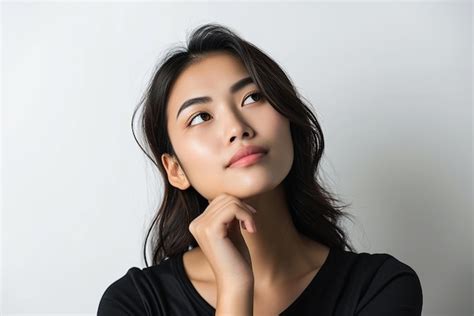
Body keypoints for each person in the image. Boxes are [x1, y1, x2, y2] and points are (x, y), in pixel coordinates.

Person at [97, 23, 423, 315]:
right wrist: (235, 287)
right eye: (200, 117)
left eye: (253, 97)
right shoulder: (136, 304)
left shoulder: (380, 287)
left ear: (289, 121)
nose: (236, 128)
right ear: (175, 170)